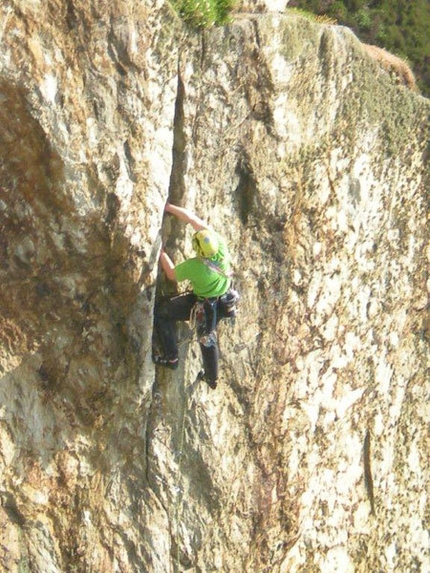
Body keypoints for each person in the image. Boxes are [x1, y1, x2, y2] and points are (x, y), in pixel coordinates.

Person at [152, 202, 238, 389]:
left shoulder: (197, 267)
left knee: (162, 313)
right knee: (208, 339)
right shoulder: (218, 245)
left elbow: (172, 274)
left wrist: (160, 251)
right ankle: (212, 378)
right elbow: (191, 218)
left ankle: (171, 356)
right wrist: (167, 207)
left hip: (205, 305)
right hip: (222, 297)